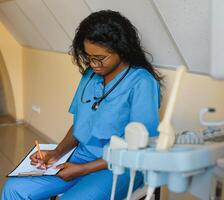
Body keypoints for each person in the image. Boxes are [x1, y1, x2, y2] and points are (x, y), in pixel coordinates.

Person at [2, 10, 162, 200]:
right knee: (15, 188)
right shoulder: (90, 76)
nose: (93, 64)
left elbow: (140, 147)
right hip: (82, 156)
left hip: (121, 167)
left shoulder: (142, 82)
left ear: (122, 49)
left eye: (100, 58)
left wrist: (83, 170)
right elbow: (79, 125)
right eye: (88, 57)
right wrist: (56, 153)